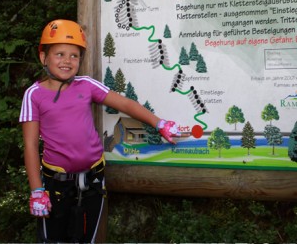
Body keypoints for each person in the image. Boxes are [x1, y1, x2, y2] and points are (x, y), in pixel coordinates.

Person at [20, 19, 181, 243]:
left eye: (74, 55)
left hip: (93, 180)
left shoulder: (86, 85)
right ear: (43, 57)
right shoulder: (33, 94)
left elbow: (125, 104)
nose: (67, 61)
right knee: (53, 240)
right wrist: (37, 190)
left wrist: (159, 123)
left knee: (88, 238)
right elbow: (29, 145)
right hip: (56, 183)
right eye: (59, 54)